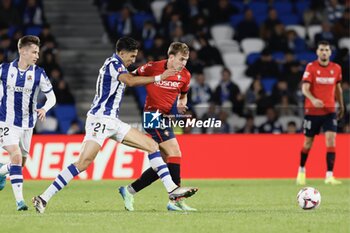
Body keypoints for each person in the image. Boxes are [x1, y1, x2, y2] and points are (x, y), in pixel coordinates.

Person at [32, 37, 198, 214]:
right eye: (131, 56)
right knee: (82, 163)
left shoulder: (120, 65)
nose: (133, 60)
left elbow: (132, 76)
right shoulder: (113, 63)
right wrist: (158, 77)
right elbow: (131, 81)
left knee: (152, 146)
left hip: (113, 122)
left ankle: (172, 190)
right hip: (100, 120)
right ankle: (43, 198)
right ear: (121, 52)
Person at [119, 42, 197, 211]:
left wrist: (182, 103)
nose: (184, 63)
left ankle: (128, 190)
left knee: (164, 164)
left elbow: (183, 96)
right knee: (175, 152)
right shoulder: (153, 67)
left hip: (166, 117)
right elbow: (129, 76)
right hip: (151, 115)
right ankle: (176, 199)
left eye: (186, 60)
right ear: (171, 57)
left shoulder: (185, 75)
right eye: (181, 59)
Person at [0, 35, 56, 211]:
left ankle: (2, 171)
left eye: (38, 52)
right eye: (34, 52)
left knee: (19, 164)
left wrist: (45, 108)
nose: (37, 56)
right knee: (16, 157)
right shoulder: (4, 70)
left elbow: (52, 97)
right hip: (6, 121)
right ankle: (20, 203)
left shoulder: (39, 73)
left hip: (28, 124)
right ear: (22, 51)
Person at [296, 40, 344, 185]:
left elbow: (338, 88)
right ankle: (301, 171)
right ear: (317, 52)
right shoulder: (311, 67)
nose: (324, 52)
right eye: (321, 49)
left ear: (330, 52)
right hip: (312, 111)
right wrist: (313, 99)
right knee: (308, 143)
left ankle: (329, 176)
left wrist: (341, 105)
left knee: (331, 140)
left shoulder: (336, 68)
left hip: (329, 110)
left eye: (326, 50)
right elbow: (304, 88)